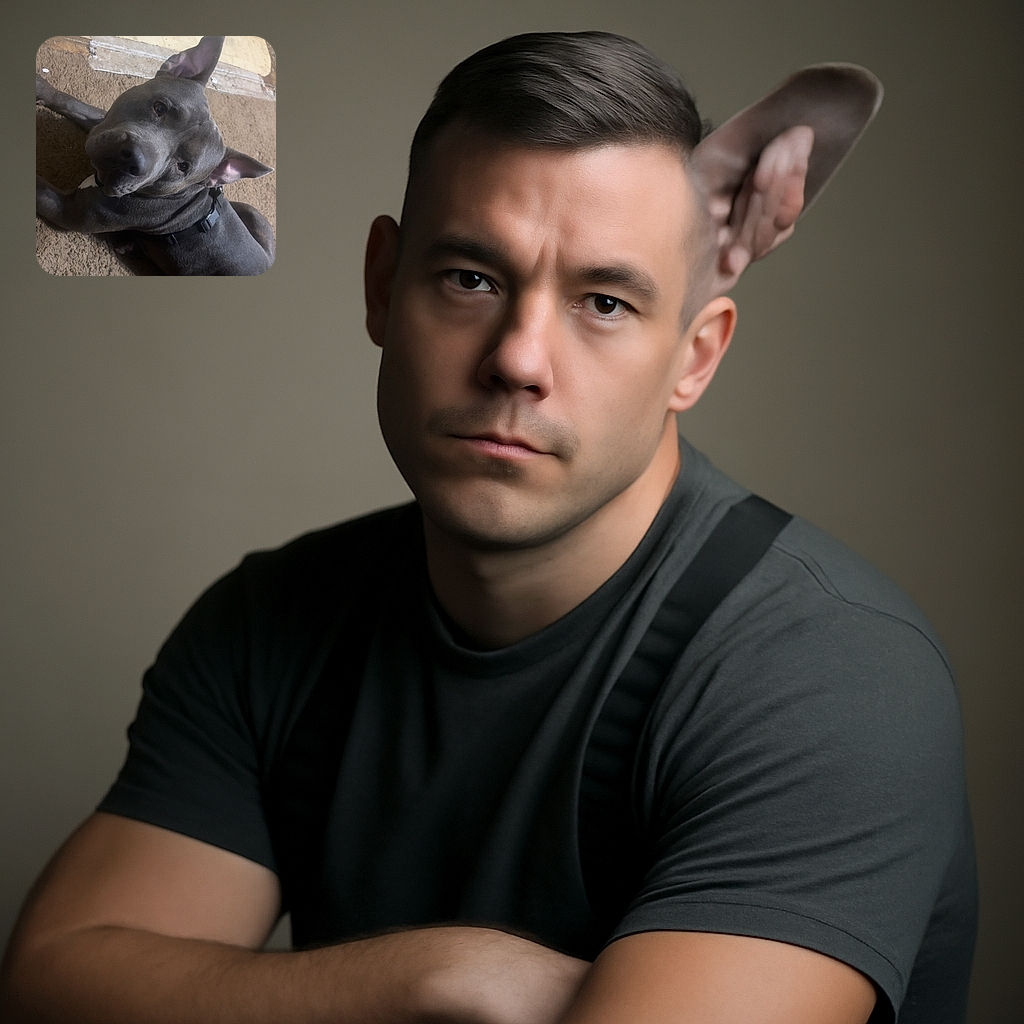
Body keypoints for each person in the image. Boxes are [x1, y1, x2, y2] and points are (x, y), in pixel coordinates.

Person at [1, 30, 975, 1024]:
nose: (518, 359)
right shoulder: (269, 622)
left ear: (694, 356)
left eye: (603, 300)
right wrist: (437, 977)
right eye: (471, 278)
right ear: (383, 285)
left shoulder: (830, 672)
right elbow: (56, 981)